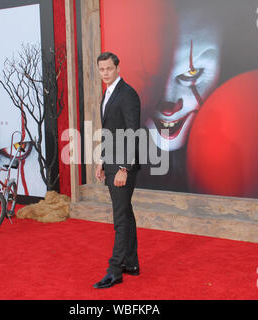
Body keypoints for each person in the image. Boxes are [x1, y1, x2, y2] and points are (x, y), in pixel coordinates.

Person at [93, 52, 141, 289]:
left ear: (118, 68)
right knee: (125, 213)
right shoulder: (109, 92)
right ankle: (130, 263)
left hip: (123, 165)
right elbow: (109, 131)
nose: (105, 74)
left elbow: (133, 133)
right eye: (101, 70)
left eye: (109, 69)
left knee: (120, 217)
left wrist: (124, 168)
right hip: (111, 162)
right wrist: (102, 159)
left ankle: (115, 270)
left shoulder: (128, 94)